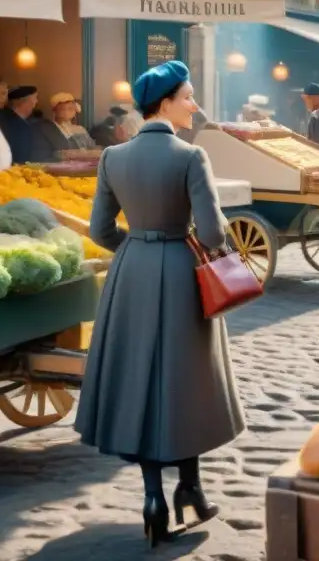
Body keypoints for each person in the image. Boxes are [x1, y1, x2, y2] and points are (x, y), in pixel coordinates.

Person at [75, 60, 244, 548]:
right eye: (189, 96)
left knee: (141, 381)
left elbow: (99, 231)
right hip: (179, 271)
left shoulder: (113, 156)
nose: (195, 105)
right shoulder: (191, 156)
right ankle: (190, 486)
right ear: (166, 102)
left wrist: (138, 243)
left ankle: (158, 497)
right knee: (184, 379)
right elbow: (212, 233)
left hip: (131, 272)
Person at [35, 92, 96, 158]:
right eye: (62, 109)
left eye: (70, 109)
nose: (66, 112)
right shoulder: (47, 129)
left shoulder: (80, 129)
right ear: (55, 111)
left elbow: (92, 147)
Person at [0, 86, 40, 164]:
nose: (36, 101)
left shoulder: (26, 122)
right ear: (24, 101)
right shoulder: (7, 122)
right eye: (35, 98)